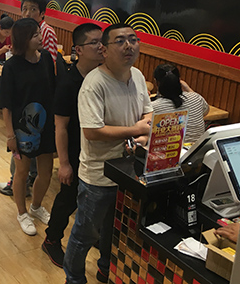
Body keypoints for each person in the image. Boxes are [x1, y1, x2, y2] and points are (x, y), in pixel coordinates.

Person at [64, 23, 153, 284]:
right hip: (98, 175)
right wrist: (135, 130)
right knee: (85, 234)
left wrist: (143, 131)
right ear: (104, 49)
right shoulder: (94, 84)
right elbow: (92, 131)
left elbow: (148, 111)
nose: (129, 46)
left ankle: (106, 269)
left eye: (133, 40)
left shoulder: (137, 75)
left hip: (129, 172)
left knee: (115, 230)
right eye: (120, 41)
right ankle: (74, 278)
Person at [42, 23, 104, 268]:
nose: (100, 47)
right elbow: (60, 127)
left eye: (102, 41)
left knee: (94, 199)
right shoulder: (69, 83)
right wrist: (65, 163)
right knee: (68, 198)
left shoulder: (102, 77)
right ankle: (52, 239)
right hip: (76, 151)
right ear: (78, 49)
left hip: (97, 151)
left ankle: (92, 234)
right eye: (94, 43)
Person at [0, 18, 56, 236]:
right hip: (22, 129)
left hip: (46, 124)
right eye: (34, 35)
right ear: (23, 39)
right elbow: (6, 104)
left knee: (46, 171)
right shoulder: (12, 66)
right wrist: (10, 135)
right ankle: (22, 212)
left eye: (39, 33)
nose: (40, 38)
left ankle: (36, 207)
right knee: (21, 173)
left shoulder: (46, 58)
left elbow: (52, 90)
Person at [152, 63, 209, 144]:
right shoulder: (196, 98)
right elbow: (205, 111)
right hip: (196, 149)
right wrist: (188, 88)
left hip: (170, 150)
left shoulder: (154, 106)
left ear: (156, 83)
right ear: (179, 80)